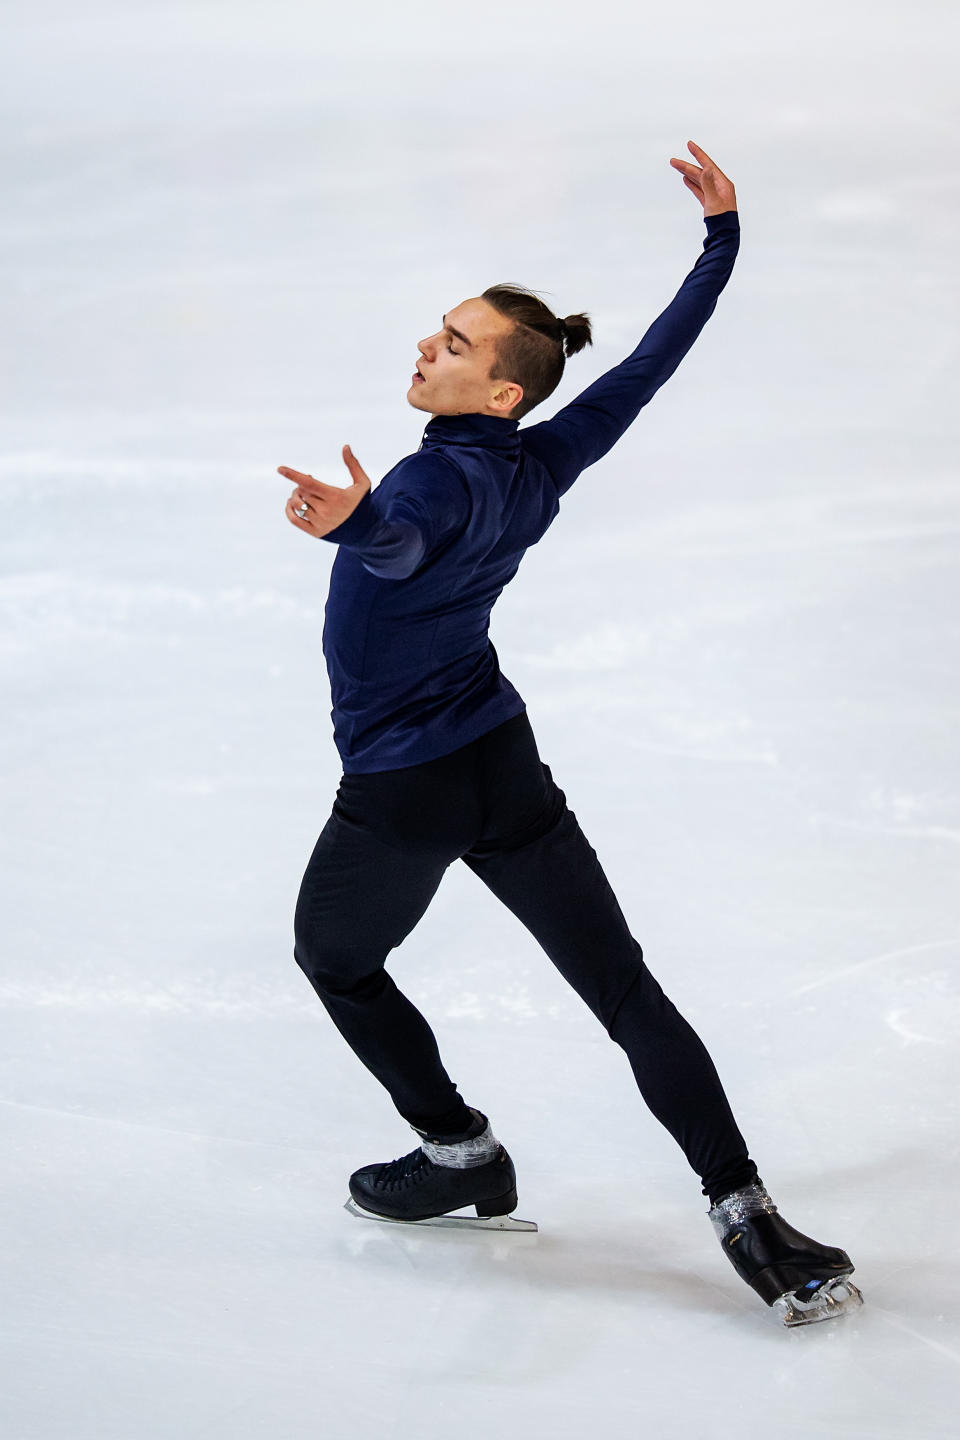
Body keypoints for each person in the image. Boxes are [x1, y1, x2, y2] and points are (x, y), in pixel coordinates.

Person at [276, 142, 862, 1327]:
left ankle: (457, 1154)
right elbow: (647, 365)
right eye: (437, 329)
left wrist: (358, 526)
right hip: (502, 759)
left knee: (333, 958)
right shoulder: (546, 458)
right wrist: (722, 241)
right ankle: (745, 1209)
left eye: (455, 345)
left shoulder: (427, 486)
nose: (428, 347)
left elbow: (408, 541)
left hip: (408, 786)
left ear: (499, 391)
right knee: (624, 989)